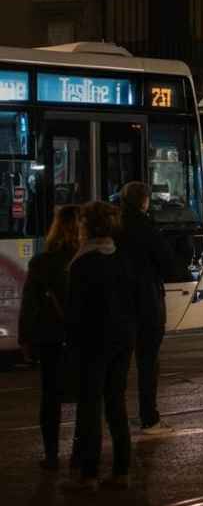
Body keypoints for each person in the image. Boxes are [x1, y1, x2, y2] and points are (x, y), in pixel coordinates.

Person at [66, 201, 137, 491]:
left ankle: (89, 474)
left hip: (92, 342)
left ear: (87, 226)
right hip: (122, 340)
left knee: (90, 406)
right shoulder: (122, 258)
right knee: (116, 403)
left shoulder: (82, 262)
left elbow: (75, 309)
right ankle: (121, 470)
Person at [19, 205, 81, 470]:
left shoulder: (41, 262)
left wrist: (25, 338)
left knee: (50, 396)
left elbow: (30, 304)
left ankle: (52, 454)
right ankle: (81, 453)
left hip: (51, 336)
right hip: (83, 337)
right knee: (87, 396)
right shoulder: (86, 260)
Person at [117, 181, 176, 436]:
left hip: (119, 304)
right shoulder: (148, 228)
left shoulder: (114, 226)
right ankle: (149, 417)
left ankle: (117, 419)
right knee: (148, 362)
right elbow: (167, 263)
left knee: (118, 365)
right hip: (146, 301)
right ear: (144, 201)